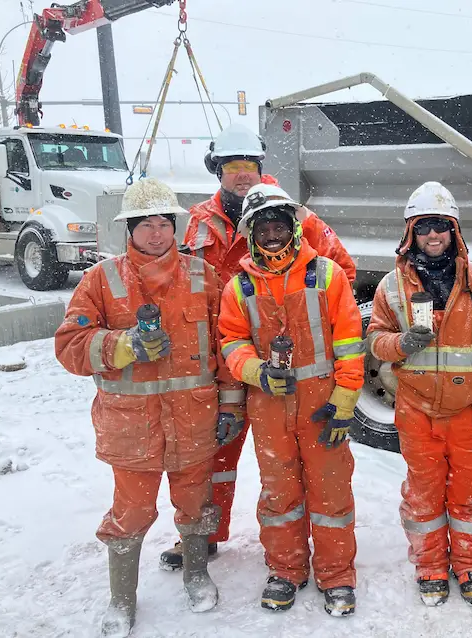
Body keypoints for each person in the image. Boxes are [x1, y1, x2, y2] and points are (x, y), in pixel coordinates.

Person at [160, 125, 357, 570]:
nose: (242, 175)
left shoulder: (294, 215)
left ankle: (319, 553)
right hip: (224, 356)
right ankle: (202, 534)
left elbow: (340, 269)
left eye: (250, 166)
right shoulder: (198, 221)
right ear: (218, 171)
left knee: (300, 463)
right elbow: (177, 282)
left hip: (293, 362)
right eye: (233, 167)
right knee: (215, 452)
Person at [55, 179, 225, 637]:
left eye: (163, 224)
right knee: (130, 513)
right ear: (128, 229)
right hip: (133, 428)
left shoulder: (203, 277)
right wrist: (123, 345)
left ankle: (195, 573)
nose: (156, 234)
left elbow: (228, 345)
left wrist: (228, 405)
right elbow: (70, 346)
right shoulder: (101, 279)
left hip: (194, 418)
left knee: (196, 504)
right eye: (146, 225)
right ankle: (122, 598)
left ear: (175, 228)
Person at [365, 181, 472, 607]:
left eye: (441, 226)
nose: (433, 236)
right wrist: (402, 344)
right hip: (415, 410)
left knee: (470, 491)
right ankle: (431, 567)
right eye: (425, 228)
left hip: (467, 412)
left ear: (454, 231)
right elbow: (376, 341)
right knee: (424, 492)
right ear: (411, 234)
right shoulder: (389, 287)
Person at [217, 186, 365, 616]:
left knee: (330, 490)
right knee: (279, 492)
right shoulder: (239, 287)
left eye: (279, 224)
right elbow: (231, 341)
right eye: (263, 226)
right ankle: (286, 570)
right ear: (250, 233)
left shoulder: (329, 275)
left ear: (294, 227)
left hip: (323, 402)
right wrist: (256, 372)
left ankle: (336, 575)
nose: (272, 233)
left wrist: (343, 400)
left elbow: (351, 343)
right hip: (269, 402)